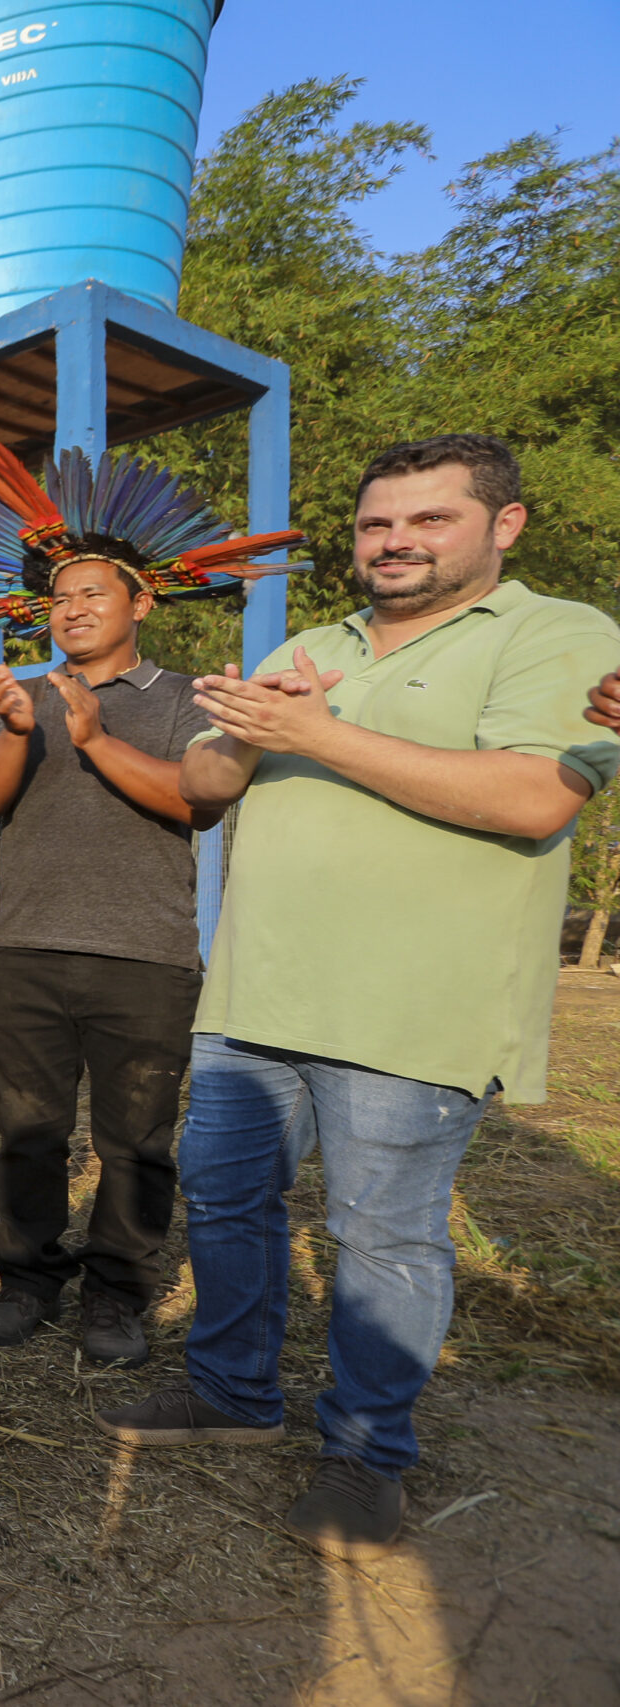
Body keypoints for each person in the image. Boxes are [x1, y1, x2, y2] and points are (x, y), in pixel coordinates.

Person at [96, 434, 620, 1561]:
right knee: (224, 1198)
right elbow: (202, 782)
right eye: (377, 522)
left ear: (504, 525)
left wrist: (320, 735)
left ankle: (368, 1451)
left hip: (413, 1004)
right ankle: (232, 1392)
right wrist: (252, 729)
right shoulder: (310, 644)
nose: (395, 542)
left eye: (430, 519)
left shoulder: (554, 633)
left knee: (381, 1235)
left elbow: (535, 796)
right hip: (256, 990)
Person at [0, 423, 298, 1370]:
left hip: (146, 955)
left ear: (140, 602)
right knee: (27, 1132)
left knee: (137, 1140)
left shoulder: (183, 698)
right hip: (26, 949)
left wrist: (94, 738)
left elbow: (194, 799)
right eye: (59, 598)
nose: (71, 609)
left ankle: (116, 1294)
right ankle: (26, 1280)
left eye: (92, 593)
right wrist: (24, 730)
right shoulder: (18, 696)